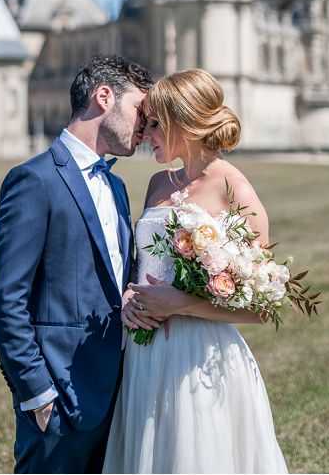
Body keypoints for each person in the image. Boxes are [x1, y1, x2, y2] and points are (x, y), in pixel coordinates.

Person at [103, 68, 288, 474]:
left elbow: (262, 306)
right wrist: (131, 299)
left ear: (181, 123)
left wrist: (180, 304)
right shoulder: (156, 184)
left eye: (154, 125)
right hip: (145, 356)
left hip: (201, 359)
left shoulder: (234, 188)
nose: (145, 133)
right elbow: (144, 265)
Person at [0, 55, 154, 474]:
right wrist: (37, 393)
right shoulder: (35, 180)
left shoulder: (116, 186)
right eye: (139, 110)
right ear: (103, 97)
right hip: (59, 396)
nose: (146, 127)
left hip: (118, 392)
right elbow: (5, 299)